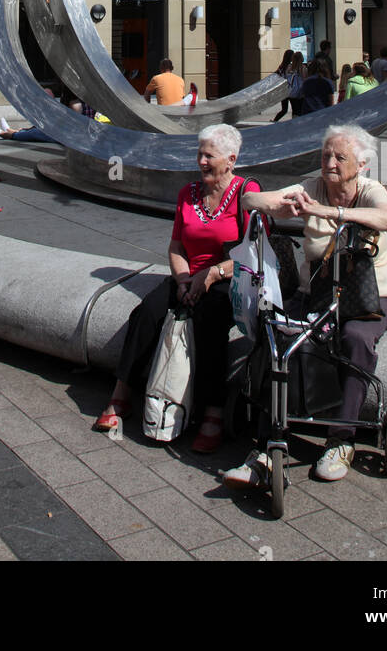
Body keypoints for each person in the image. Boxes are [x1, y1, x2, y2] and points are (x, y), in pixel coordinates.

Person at [93, 124, 304, 452]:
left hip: (229, 279)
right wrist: (181, 280)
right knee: (147, 312)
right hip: (187, 276)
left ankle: (213, 411)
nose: (201, 161)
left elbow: (255, 253)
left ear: (230, 160)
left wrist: (210, 275)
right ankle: (121, 396)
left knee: (210, 319)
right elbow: (176, 246)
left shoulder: (246, 191)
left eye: (210, 155)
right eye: (199, 154)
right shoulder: (187, 193)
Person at [223, 124, 387, 488]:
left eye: (339, 157)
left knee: (355, 340)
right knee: (279, 340)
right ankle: (266, 448)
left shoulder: (370, 190)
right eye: (325, 155)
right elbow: (250, 201)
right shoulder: (311, 188)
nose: (330, 162)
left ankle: (341, 440)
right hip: (317, 292)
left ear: (361, 164)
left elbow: (386, 219)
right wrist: (280, 204)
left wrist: (332, 214)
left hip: (368, 297)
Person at [272, 50, 295, 123]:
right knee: (294, 108)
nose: (293, 57)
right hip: (290, 90)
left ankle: (275, 120)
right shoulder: (290, 66)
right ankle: (294, 122)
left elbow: (276, 75)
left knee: (284, 109)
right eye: (292, 55)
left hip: (283, 90)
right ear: (290, 57)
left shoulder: (281, 66)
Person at [286, 51, 305, 117]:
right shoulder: (303, 68)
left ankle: (294, 121)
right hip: (301, 92)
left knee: (294, 109)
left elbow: (286, 78)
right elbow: (305, 79)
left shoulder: (289, 67)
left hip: (292, 92)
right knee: (300, 109)